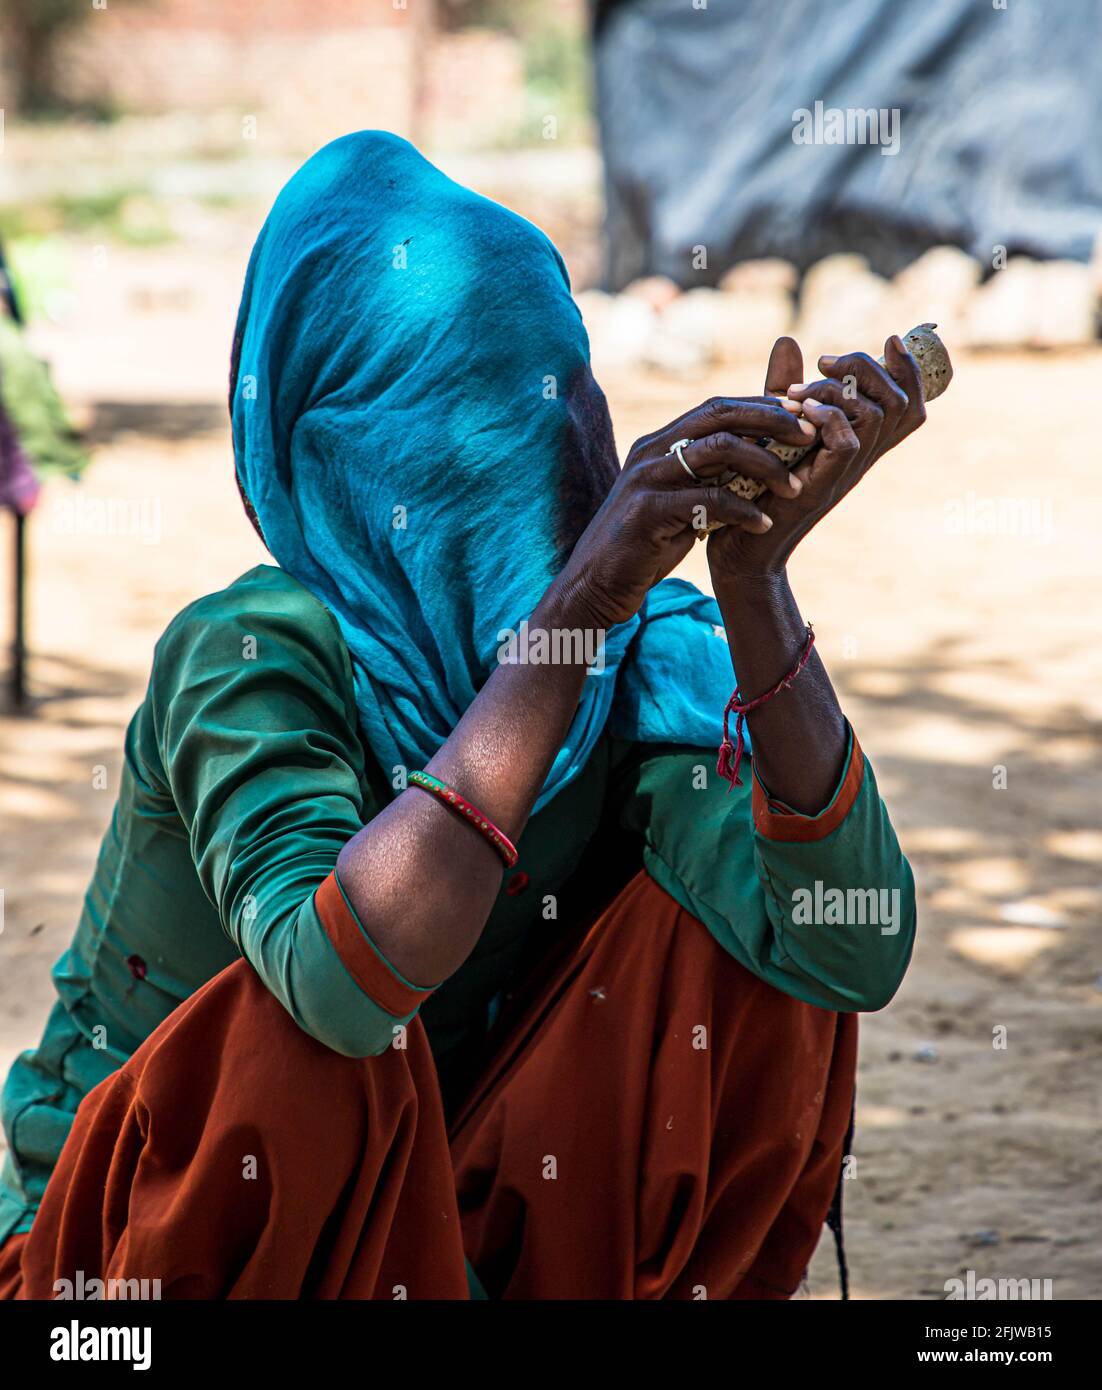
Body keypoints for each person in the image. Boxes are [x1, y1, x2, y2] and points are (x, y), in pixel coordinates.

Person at [0, 132, 923, 1301]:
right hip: (125, 1263)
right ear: (320, 436)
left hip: (425, 1229)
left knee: (752, 941)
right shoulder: (253, 652)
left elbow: (848, 946)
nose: (519, 457)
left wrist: (754, 587)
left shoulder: (648, 655)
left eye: (545, 399)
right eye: (444, 412)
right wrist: (574, 608)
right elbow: (336, 992)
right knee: (320, 1021)